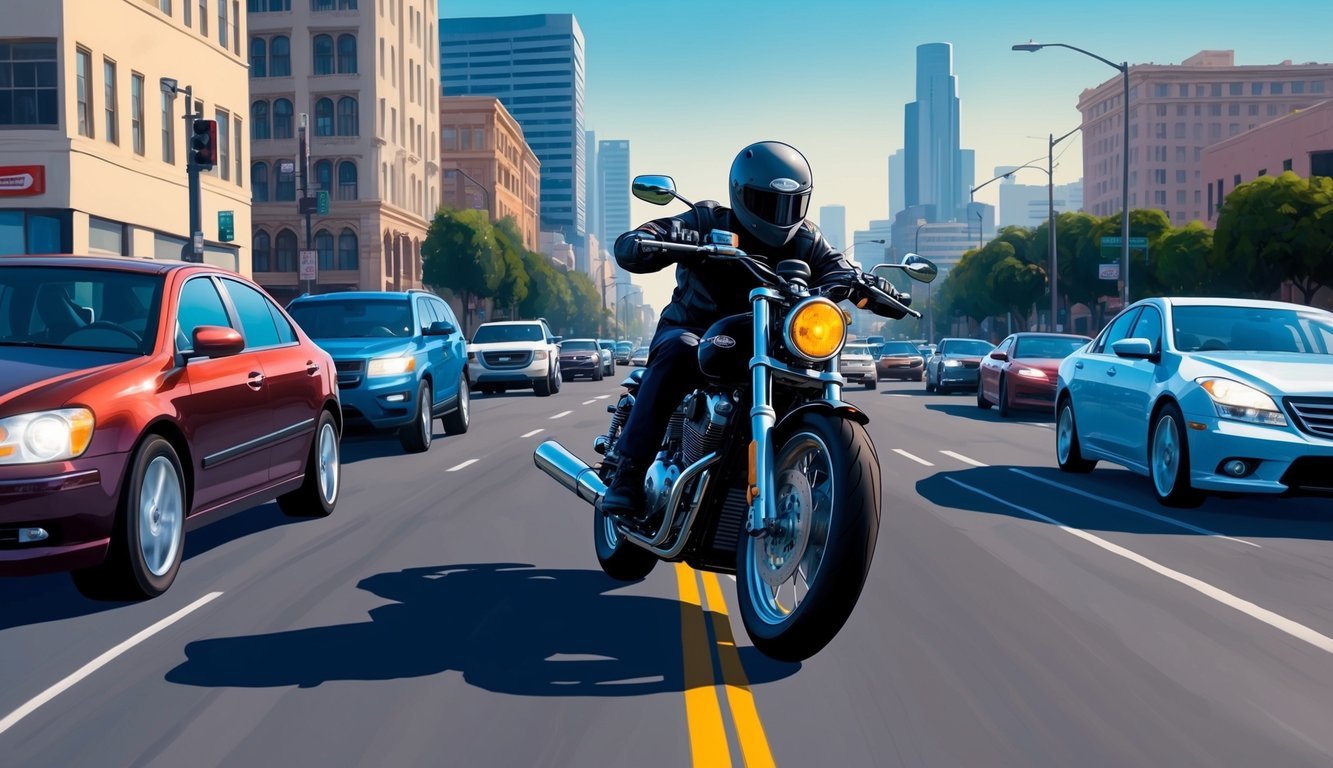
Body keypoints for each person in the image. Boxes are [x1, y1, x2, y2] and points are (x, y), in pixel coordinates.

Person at [600, 140, 908, 520]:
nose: (779, 215)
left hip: (772, 344)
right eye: (766, 202)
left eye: (790, 205)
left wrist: (868, 285)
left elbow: (837, 266)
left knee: (805, 378)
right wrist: (661, 240)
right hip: (695, 330)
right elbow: (636, 243)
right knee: (680, 350)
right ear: (741, 194)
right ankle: (628, 476)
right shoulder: (707, 219)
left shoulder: (808, 240)